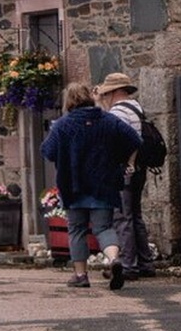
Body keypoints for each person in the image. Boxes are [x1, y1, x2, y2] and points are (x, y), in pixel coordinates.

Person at [41, 82, 141, 290]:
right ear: (89, 97)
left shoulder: (62, 124)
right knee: (104, 228)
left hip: (73, 186)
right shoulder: (107, 119)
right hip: (103, 184)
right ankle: (114, 259)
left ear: (69, 100)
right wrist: (129, 163)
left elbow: (48, 151)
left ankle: (80, 275)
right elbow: (135, 140)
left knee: (76, 229)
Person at [94, 72, 156, 280]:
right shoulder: (135, 107)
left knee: (122, 217)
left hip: (124, 170)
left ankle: (129, 265)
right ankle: (145, 262)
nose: (106, 96)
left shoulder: (119, 112)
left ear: (114, 91)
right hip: (139, 168)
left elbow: (112, 139)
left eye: (107, 93)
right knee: (135, 215)